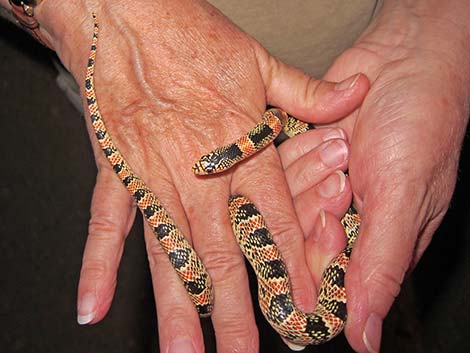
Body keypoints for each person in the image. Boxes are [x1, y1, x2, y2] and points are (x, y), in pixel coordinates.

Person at [2, 1, 469, 353]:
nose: (208, 167)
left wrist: (437, 22)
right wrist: (82, 11)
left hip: (347, 74)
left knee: (371, 226)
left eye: (212, 164)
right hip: (130, 91)